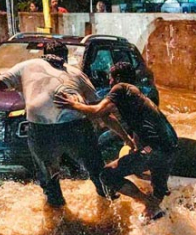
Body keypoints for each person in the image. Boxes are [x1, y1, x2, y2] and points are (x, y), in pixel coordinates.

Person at [0, 40, 106, 208]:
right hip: (77, 126)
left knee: (48, 177)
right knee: (97, 171)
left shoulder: (27, 65)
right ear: (65, 57)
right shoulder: (76, 73)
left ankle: (58, 219)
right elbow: (97, 105)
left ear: (43, 53)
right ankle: (109, 207)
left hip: (42, 131)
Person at [55, 62, 178, 222]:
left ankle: (148, 203)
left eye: (110, 78)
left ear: (118, 78)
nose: (109, 82)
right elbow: (106, 116)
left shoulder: (121, 88)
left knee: (108, 174)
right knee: (158, 193)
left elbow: (97, 111)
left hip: (155, 150)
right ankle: (164, 229)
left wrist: (73, 105)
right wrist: (127, 140)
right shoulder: (136, 94)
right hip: (171, 147)